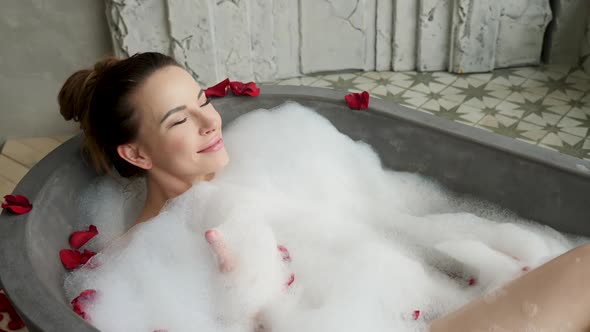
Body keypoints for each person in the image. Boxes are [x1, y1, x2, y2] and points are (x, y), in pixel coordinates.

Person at [58, 52, 590, 331]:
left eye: (203, 98)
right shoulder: (145, 256)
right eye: (180, 118)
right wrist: (242, 295)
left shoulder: (266, 159)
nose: (209, 120)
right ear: (137, 155)